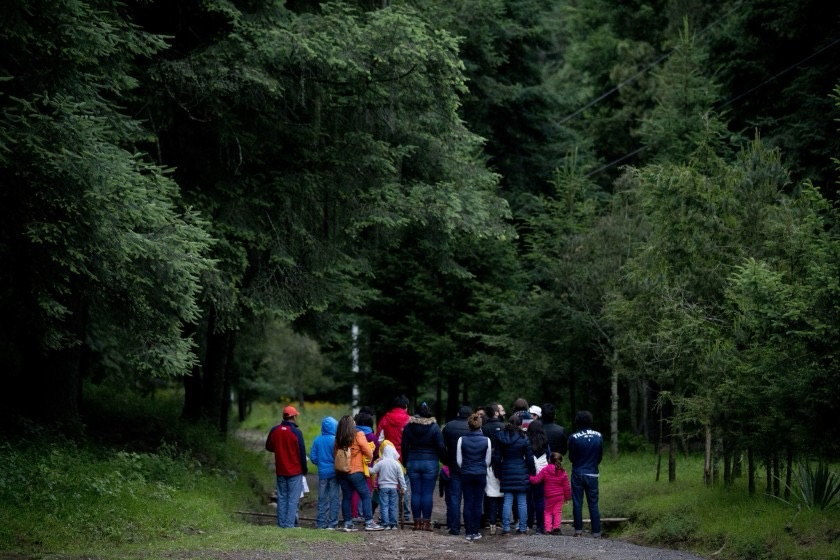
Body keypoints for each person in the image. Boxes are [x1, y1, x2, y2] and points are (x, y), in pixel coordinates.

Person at [335, 415, 384, 532]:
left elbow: (335, 453)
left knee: (346, 496)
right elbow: (368, 452)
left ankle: (348, 523)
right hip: (356, 470)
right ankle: (369, 522)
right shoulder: (358, 434)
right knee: (366, 495)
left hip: (342, 471)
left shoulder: (338, 437)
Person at [401, 402, 445, 531]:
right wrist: (444, 460)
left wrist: (405, 462)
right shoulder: (434, 427)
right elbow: (441, 446)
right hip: (430, 462)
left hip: (413, 461)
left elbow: (404, 446)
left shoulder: (409, 427)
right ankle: (425, 523)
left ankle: (416, 523)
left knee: (415, 493)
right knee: (427, 493)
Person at [265, 405, 308, 528]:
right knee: (293, 499)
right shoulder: (296, 432)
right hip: (295, 471)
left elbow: (268, 447)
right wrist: (304, 469)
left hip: (280, 470)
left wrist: (279, 449)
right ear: (293, 417)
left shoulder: (275, 430)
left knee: (282, 498)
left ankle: (281, 523)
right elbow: (301, 452)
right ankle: (289, 525)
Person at [494, 414, 535, 535]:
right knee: (522, 502)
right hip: (521, 470)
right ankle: (522, 528)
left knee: (507, 501)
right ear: (520, 424)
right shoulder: (524, 437)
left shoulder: (501, 436)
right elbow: (529, 457)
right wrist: (532, 471)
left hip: (506, 469)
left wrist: (498, 473)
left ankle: (506, 528)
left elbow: (497, 457)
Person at [568, 410, 603, 538]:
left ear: (577, 422)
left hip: (578, 472)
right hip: (592, 473)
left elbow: (571, 457)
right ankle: (596, 532)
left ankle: (578, 531)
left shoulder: (573, 437)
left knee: (577, 502)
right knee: (593, 503)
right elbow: (600, 456)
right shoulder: (599, 436)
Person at [457, 412, 491, 541]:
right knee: (478, 503)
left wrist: (466, 468)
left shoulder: (462, 440)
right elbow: (487, 460)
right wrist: (481, 468)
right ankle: (476, 531)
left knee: (467, 502)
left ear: (469, 425)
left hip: (466, 473)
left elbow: (459, 460)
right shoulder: (487, 440)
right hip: (480, 473)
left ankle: (468, 531)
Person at [377, 395, 412, 522]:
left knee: (388, 485)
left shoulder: (385, 419)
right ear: (406, 406)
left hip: (387, 458)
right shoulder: (409, 420)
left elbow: (379, 439)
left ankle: (386, 515)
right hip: (404, 457)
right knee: (404, 485)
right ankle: (405, 514)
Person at [442, 405, 472, 535]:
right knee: (469, 498)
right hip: (470, 467)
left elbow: (442, 446)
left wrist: (446, 461)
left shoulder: (449, 426)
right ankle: (470, 526)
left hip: (454, 466)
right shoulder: (473, 427)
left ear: (458, 413)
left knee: (454, 498)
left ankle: (454, 527)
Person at [309, 415, 340, 529]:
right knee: (334, 498)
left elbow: (313, 457)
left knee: (322, 499)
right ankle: (333, 523)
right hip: (334, 473)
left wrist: (320, 464)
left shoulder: (317, 440)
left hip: (322, 473)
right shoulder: (336, 440)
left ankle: (321, 523)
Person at [529, 451, 571, 535]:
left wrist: (528, 476)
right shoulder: (563, 472)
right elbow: (567, 487)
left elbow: (536, 480)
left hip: (549, 496)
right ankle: (556, 528)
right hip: (560, 496)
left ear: (549, 460)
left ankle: (548, 529)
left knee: (548, 512)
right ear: (561, 461)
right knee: (557, 512)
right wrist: (567, 497)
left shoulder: (545, 470)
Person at [369, 440, 407, 530]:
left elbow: (373, 471)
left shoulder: (381, 463)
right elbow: (401, 477)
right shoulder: (396, 464)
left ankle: (385, 524)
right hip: (394, 488)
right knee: (393, 506)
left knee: (384, 505)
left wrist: (365, 468)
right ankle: (393, 524)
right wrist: (403, 487)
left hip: (383, 488)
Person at [481, 403, 505, 532]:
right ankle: (500, 519)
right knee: (501, 492)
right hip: (501, 462)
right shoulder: (503, 427)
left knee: (489, 492)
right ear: (496, 412)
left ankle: (490, 520)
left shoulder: (483, 428)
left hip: (487, 462)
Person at [352, 411, 379, 520]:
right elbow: (376, 452)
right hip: (368, 467)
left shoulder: (353, 434)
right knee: (366, 492)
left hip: (354, 466)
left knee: (354, 492)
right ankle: (365, 515)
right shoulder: (372, 436)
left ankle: (354, 514)